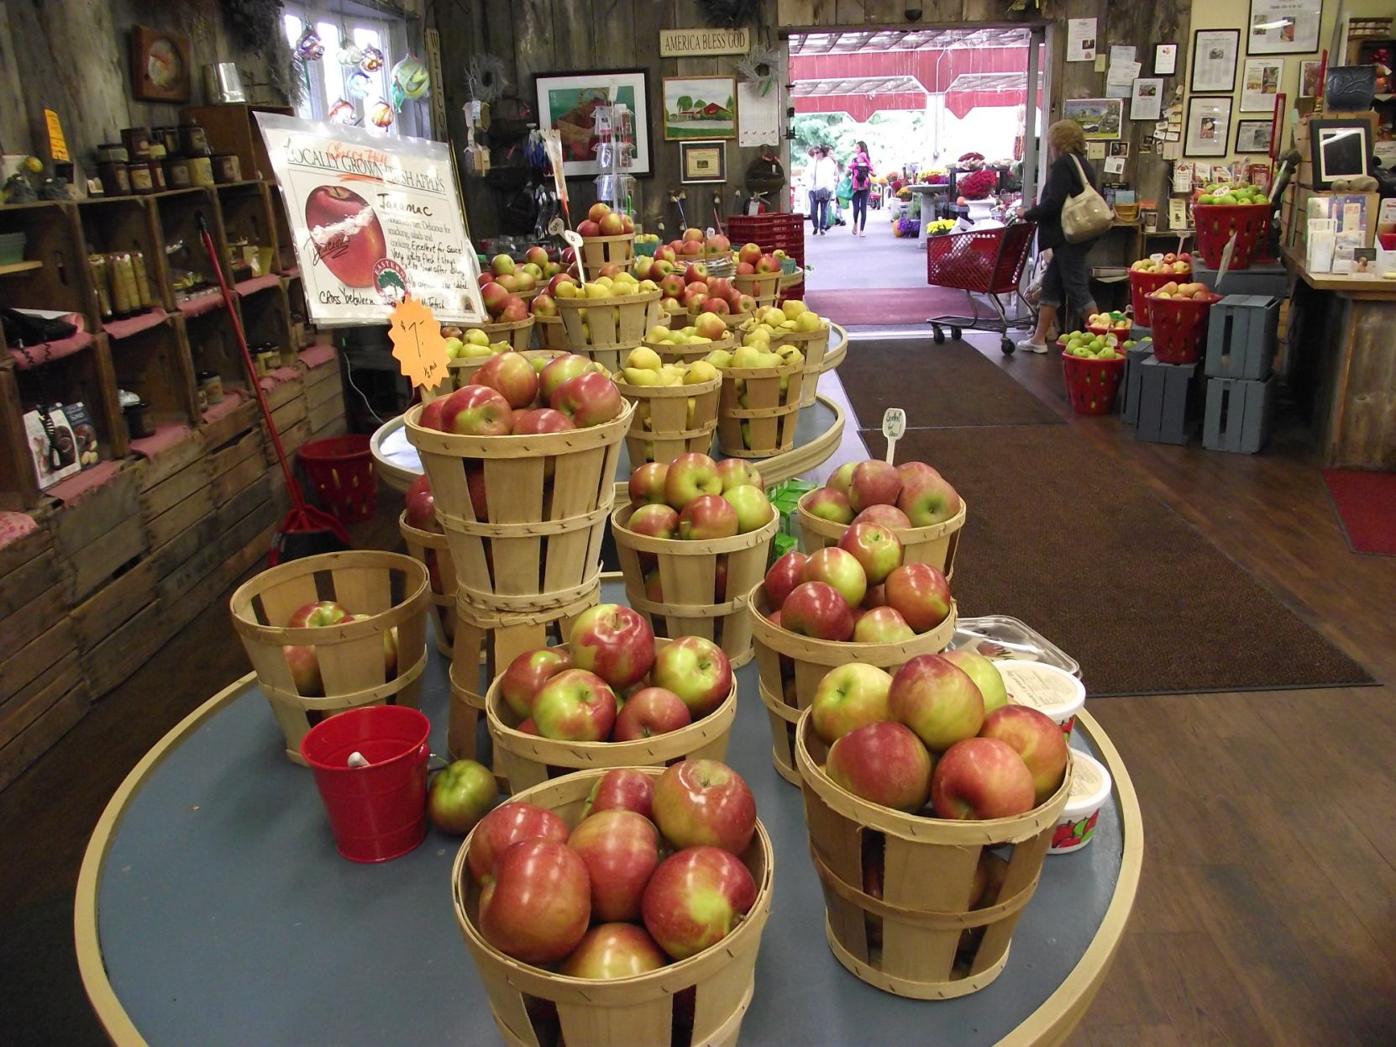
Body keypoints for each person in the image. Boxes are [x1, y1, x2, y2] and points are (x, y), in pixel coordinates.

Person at [1018, 120, 1103, 353]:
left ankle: (1103, 338)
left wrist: (1028, 213)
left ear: (1056, 142)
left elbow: (1053, 203)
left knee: (1077, 288)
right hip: (1075, 237)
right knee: (1051, 287)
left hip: (1068, 238)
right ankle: (1038, 339)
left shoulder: (1064, 165)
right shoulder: (1083, 165)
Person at [811, 146, 839, 235]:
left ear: (822, 153)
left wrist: (830, 188)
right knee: (813, 209)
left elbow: (830, 175)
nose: (816, 154)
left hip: (826, 188)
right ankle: (816, 226)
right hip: (814, 188)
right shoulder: (814, 162)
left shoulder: (828, 162)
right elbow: (811, 175)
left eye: (817, 152)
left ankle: (822, 227)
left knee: (824, 209)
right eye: (814, 153)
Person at [849, 141, 873, 235]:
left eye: (857, 148)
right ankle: (855, 223)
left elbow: (872, 170)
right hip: (855, 188)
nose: (856, 150)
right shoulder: (854, 160)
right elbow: (849, 170)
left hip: (865, 188)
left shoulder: (867, 160)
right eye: (855, 148)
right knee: (856, 209)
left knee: (863, 209)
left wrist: (872, 171)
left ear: (862, 149)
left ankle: (862, 230)